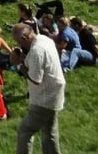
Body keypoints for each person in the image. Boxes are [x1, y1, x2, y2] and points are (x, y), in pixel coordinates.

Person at [11, 22, 62, 154]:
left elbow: (35, 79)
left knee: (25, 130)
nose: (19, 45)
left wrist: (19, 64)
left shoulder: (36, 51)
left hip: (44, 99)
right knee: (49, 133)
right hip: (55, 93)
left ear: (25, 38)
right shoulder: (45, 39)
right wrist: (24, 58)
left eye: (19, 42)